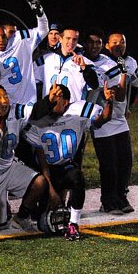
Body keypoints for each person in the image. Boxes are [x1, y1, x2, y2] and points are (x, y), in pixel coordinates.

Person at [25, 83, 115, 240]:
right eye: (51, 100)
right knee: (41, 221)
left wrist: (109, 102)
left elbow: (103, 119)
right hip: (46, 170)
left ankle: (74, 224)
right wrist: (52, 190)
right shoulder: (40, 120)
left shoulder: (78, 113)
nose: (51, 104)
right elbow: (40, 159)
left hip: (66, 167)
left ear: (66, 102)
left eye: (56, 101)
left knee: (77, 177)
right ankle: (21, 215)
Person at [0, 84, 49, 229]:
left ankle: (22, 216)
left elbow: (36, 111)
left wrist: (50, 100)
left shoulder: (16, 111)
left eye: (5, 96)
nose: (4, 101)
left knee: (39, 182)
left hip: (8, 166)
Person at [88, 31, 138, 213]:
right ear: (107, 46)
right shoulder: (100, 63)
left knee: (125, 162)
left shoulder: (121, 63)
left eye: (122, 42)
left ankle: (121, 196)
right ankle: (108, 200)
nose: (119, 45)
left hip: (118, 118)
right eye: (114, 42)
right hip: (102, 118)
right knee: (109, 164)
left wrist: (127, 106)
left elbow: (128, 90)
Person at [34, 27, 99, 103]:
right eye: (68, 38)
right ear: (60, 39)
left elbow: (94, 85)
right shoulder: (45, 59)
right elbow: (30, 81)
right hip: (49, 109)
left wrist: (84, 68)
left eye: (74, 39)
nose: (71, 42)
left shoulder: (86, 63)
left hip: (72, 111)